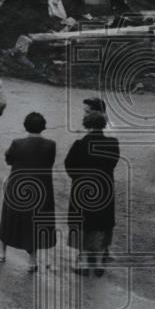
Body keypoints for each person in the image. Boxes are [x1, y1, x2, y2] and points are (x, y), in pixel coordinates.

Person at [0, 112, 57, 271]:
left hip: (18, 185)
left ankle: (1, 252)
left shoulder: (17, 143)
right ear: (43, 126)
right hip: (42, 188)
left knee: (9, 218)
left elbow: (9, 159)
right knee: (35, 222)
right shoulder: (51, 145)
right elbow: (50, 162)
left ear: (25, 125)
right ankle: (32, 261)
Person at [65, 111, 120, 276]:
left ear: (87, 126)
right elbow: (113, 163)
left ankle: (81, 261)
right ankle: (98, 262)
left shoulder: (79, 144)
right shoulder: (113, 143)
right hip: (104, 188)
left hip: (82, 188)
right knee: (101, 223)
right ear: (103, 125)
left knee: (82, 222)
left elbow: (69, 165)